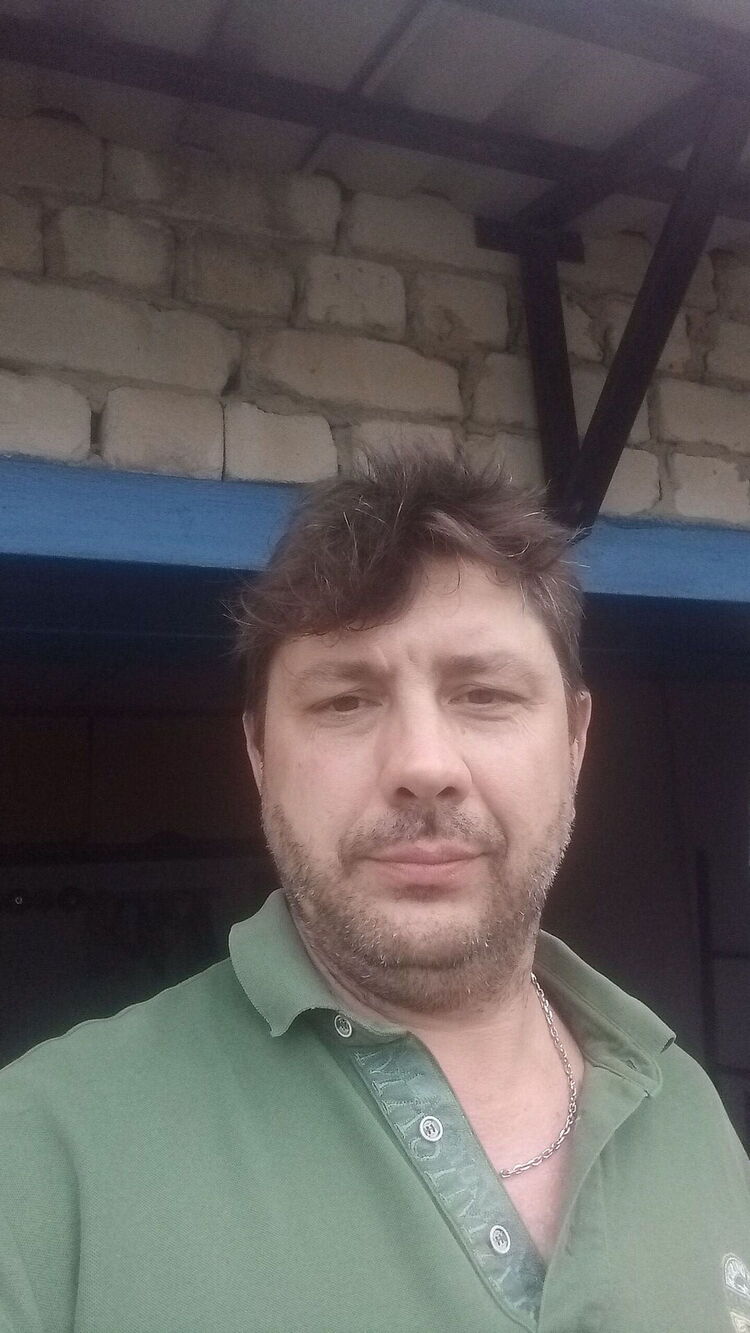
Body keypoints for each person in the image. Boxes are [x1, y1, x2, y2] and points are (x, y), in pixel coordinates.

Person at [0, 454, 748, 1333]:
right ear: (259, 755)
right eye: (346, 701)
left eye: (485, 694)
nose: (423, 765)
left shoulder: (683, 1108)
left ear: (576, 743)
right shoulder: (42, 1153)